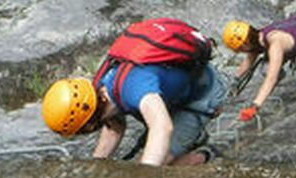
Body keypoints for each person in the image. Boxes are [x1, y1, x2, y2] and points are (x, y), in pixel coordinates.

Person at [41, 18, 227, 167]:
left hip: (201, 97)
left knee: (162, 164)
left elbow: (162, 127)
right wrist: (96, 168)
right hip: (173, 94)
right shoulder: (101, 91)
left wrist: (143, 177)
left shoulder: (133, 88)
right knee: (148, 152)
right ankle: (188, 140)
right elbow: (114, 128)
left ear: (88, 126)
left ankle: (206, 155)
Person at [222, 15, 296, 122]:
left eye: (241, 49)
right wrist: (235, 80)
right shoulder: (259, 36)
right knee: (269, 62)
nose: (242, 52)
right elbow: (249, 59)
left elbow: (271, 78)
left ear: (245, 43)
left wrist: (255, 106)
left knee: (268, 68)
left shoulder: (275, 42)